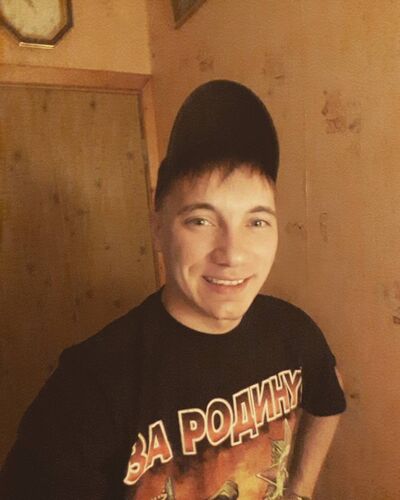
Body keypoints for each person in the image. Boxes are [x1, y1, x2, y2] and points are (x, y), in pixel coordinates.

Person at [0, 80, 346, 500]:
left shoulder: (293, 330)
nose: (233, 254)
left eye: (256, 222)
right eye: (201, 221)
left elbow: (329, 393)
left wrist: (300, 489)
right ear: (158, 228)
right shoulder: (90, 386)